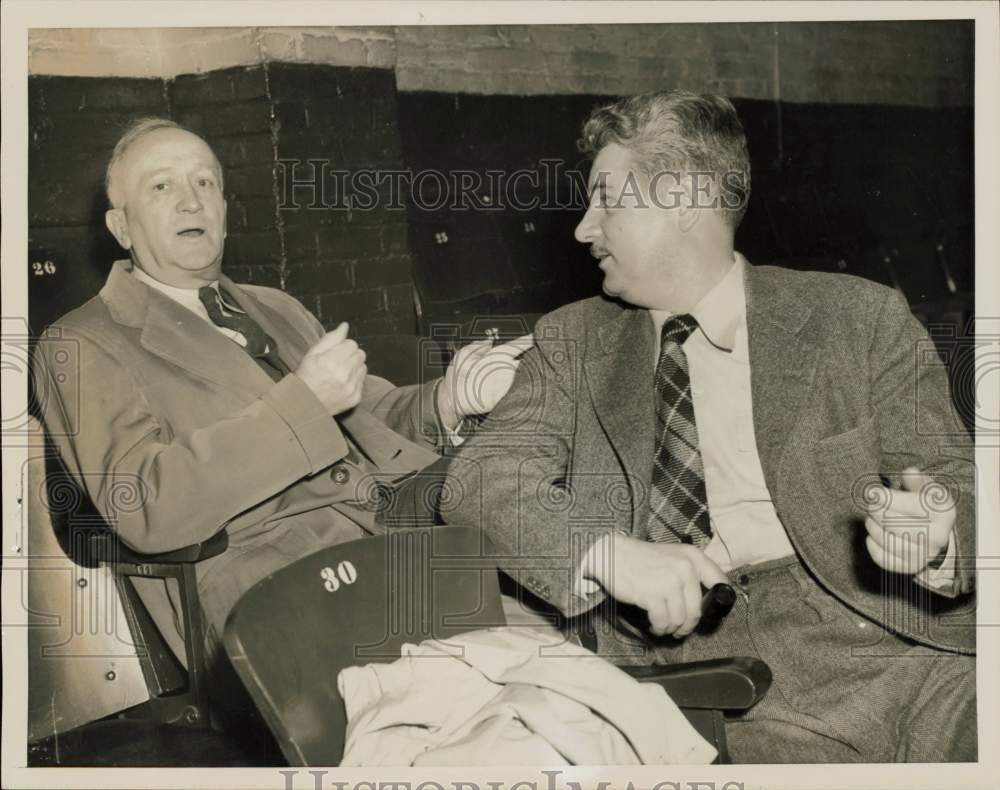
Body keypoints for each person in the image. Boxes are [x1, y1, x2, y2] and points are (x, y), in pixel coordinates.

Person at [443, 91, 976, 763]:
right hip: (714, 679)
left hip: (904, 645)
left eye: (607, 199)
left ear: (685, 199)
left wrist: (937, 535)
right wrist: (607, 554)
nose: (584, 228)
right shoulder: (573, 342)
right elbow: (479, 482)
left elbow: (956, 479)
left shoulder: (857, 319)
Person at [32, 117, 529, 675]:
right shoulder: (81, 341)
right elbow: (144, 504)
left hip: (393, 547)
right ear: (121, 227)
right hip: (271, 589)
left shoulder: (275, 307)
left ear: (224, 208)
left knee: (555, 672)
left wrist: (448, 400)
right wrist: (303, 406)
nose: (191, 202)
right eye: (161, 186)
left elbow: (368, 418)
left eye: (205, 183)